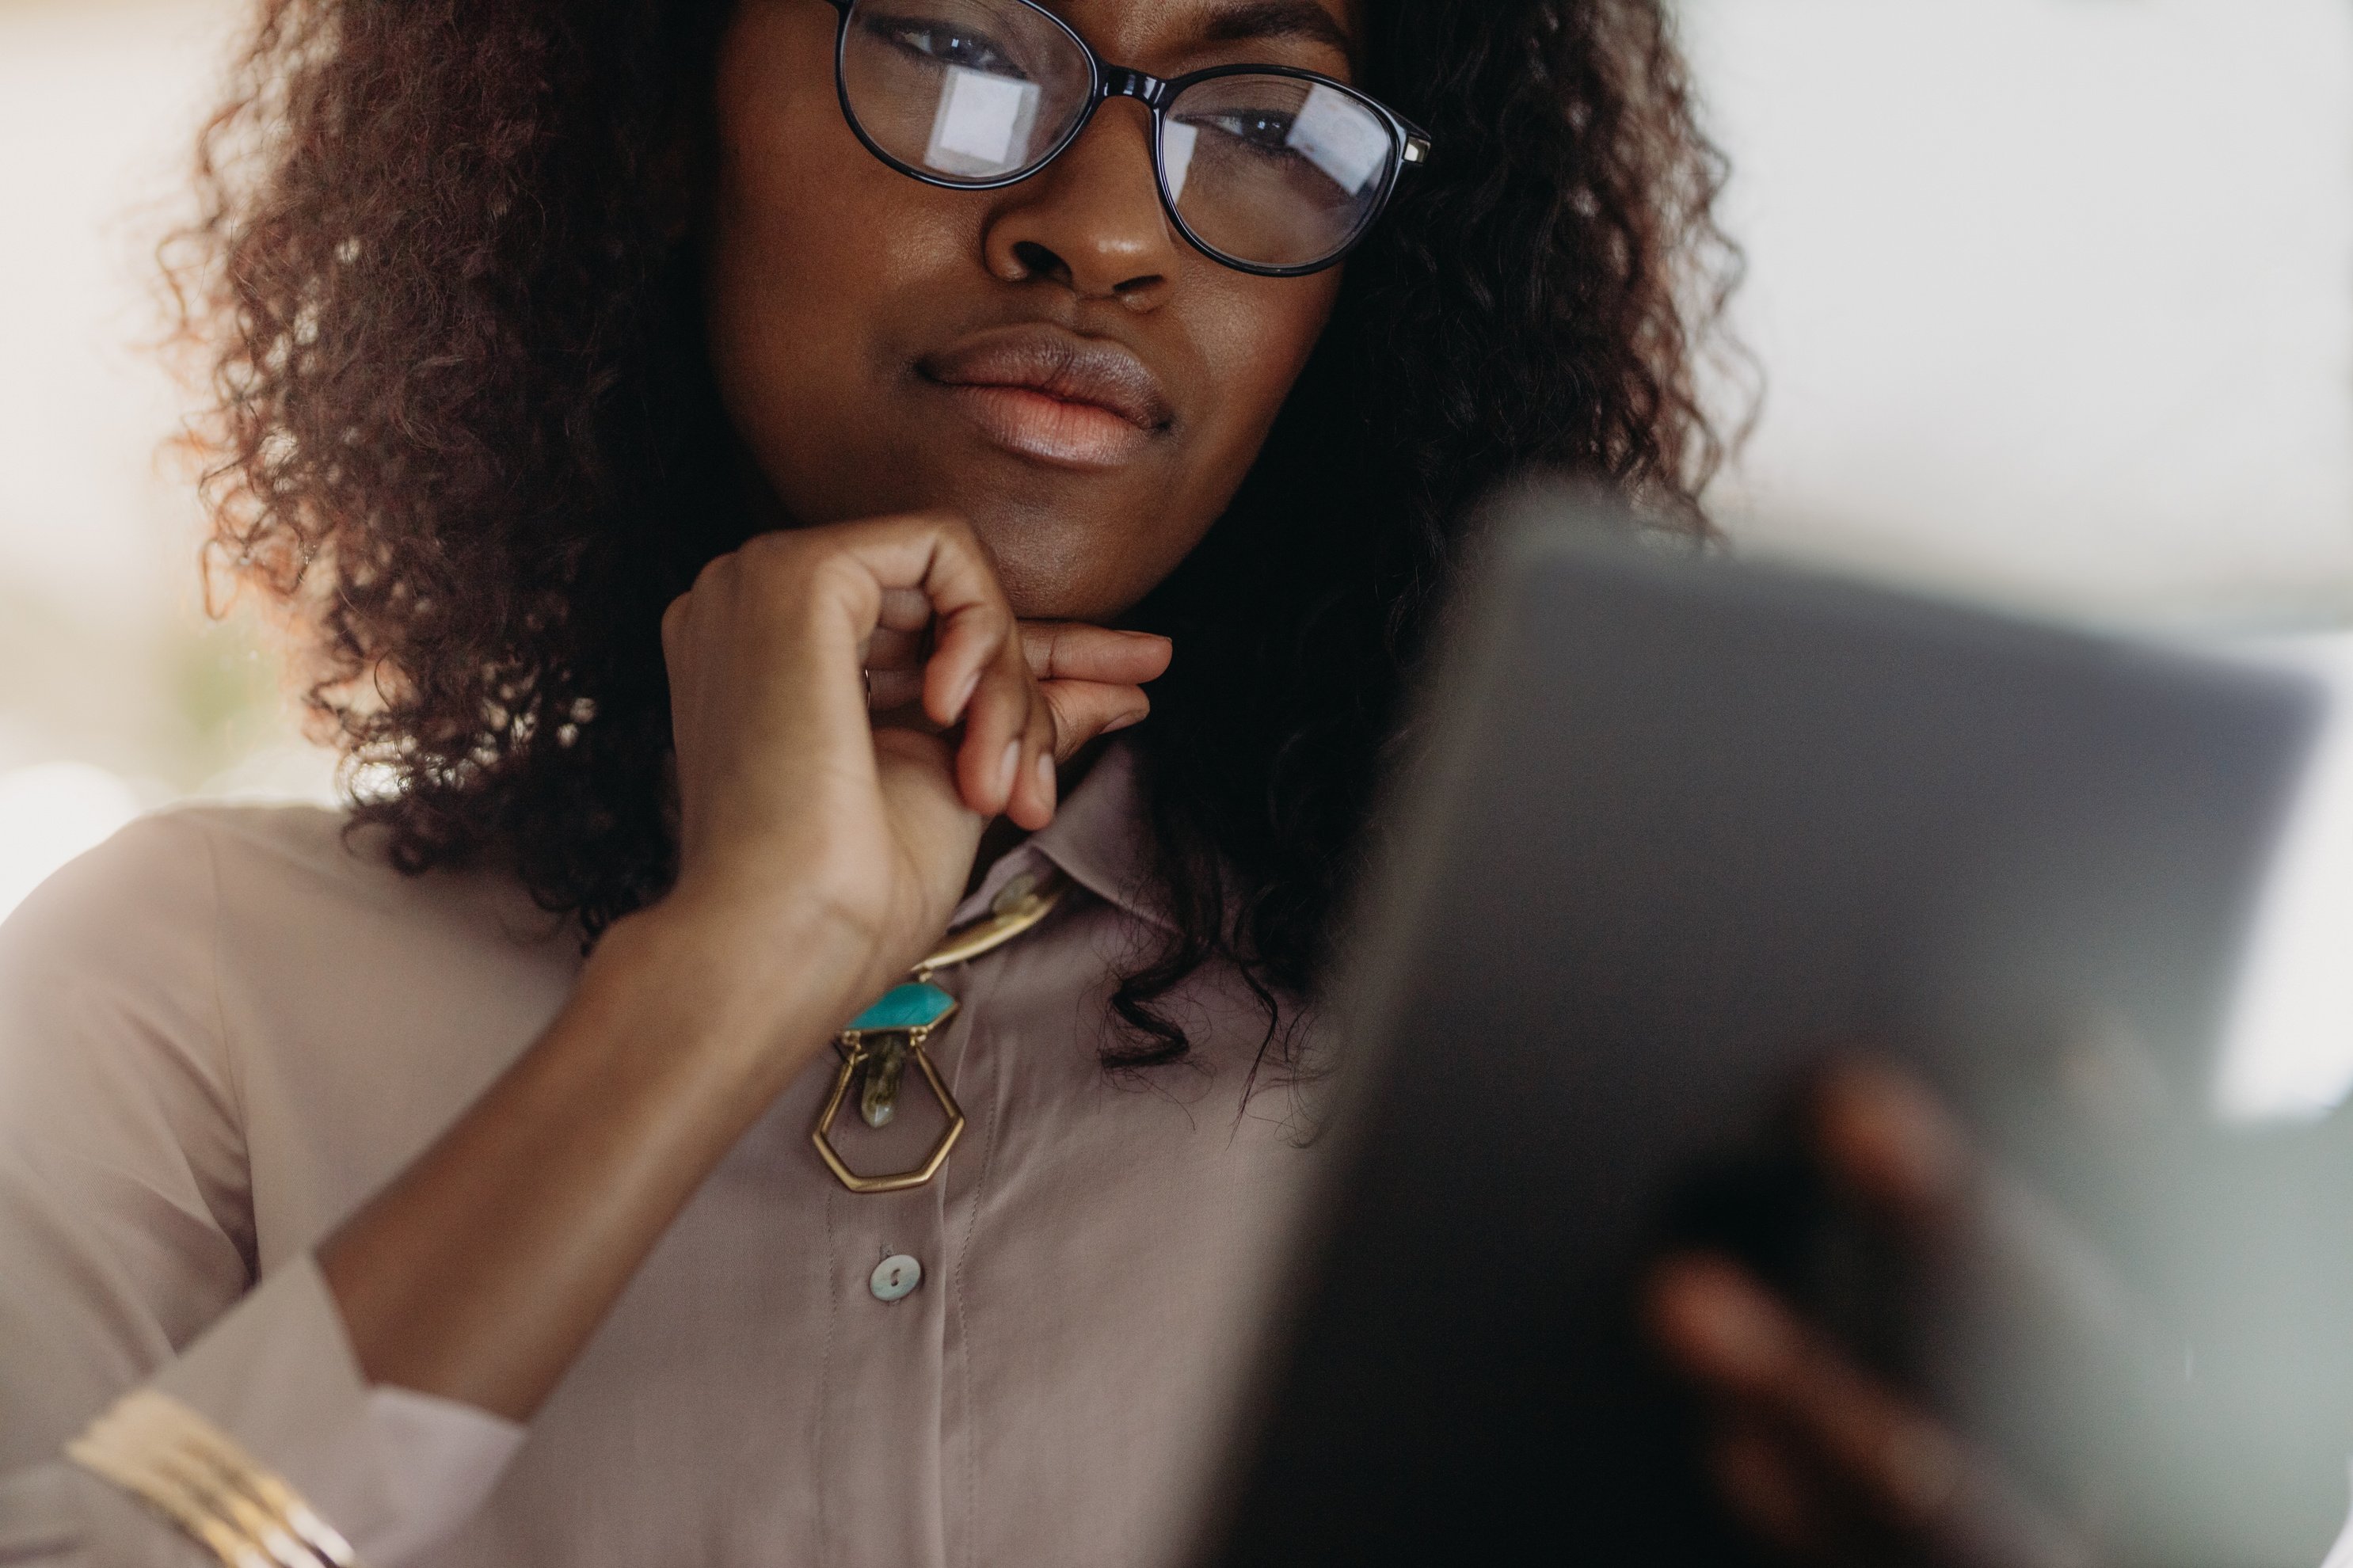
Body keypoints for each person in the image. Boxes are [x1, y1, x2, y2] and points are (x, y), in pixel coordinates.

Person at [0, 0, 1735, 1563]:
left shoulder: (1537, 1073)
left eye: (1271, 122)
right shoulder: (191, 986)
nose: (1107, 227)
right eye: (963, 49)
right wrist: (729, 969)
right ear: (660, 115)